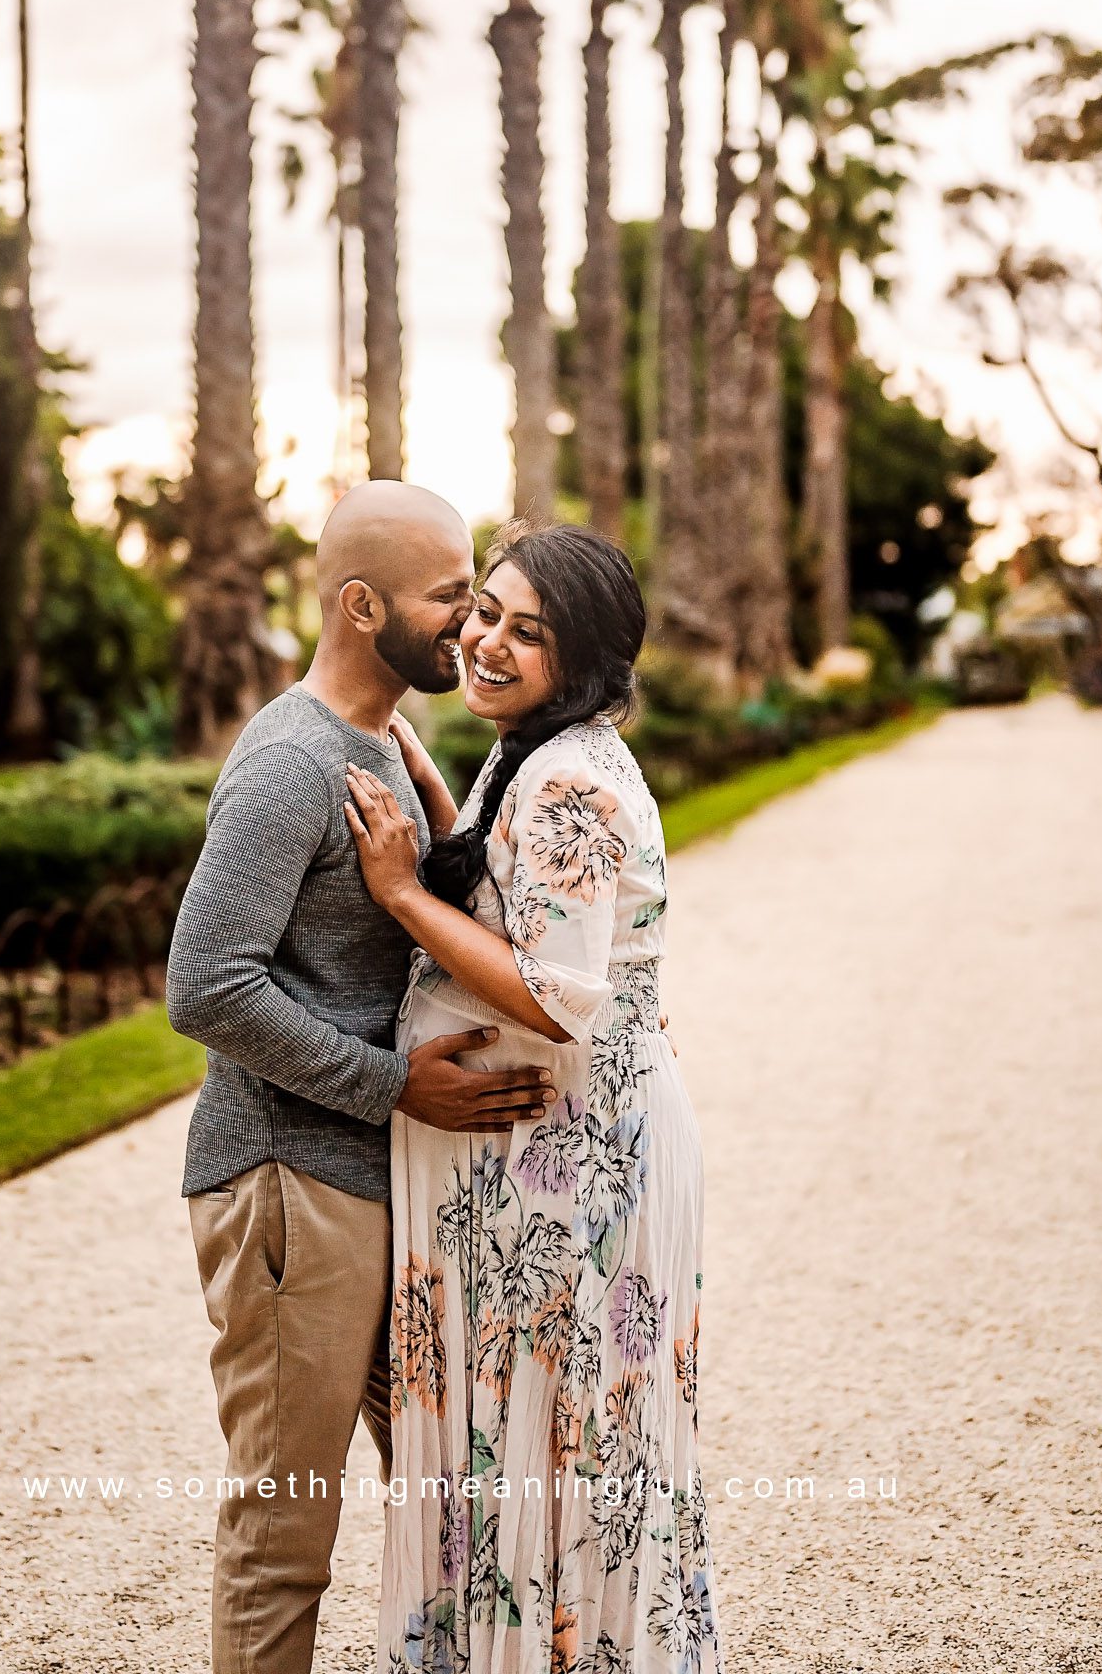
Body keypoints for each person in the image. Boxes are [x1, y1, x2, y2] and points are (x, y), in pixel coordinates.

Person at [165, 481, 561, 1674]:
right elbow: (205, 986)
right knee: (284, 1529)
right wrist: (394, 1083)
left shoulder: (386, 735)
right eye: (451, 595)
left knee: (454, 1493)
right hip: (291, 1186)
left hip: (376, 1183)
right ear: (359, 602)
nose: (471, 621)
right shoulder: (293, 761)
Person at [344, 521, 723, 1674]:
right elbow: (526, 897)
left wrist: (403, 889)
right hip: (544, 1159)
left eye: (530, 631)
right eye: (488, 612)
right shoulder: (537, 749)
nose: (489, 642)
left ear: (591, 659)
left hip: (572, 1174)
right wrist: (446, 807)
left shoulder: (566, 777)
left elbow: (556, 995)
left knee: (560, 1447)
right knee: (540, 1445)